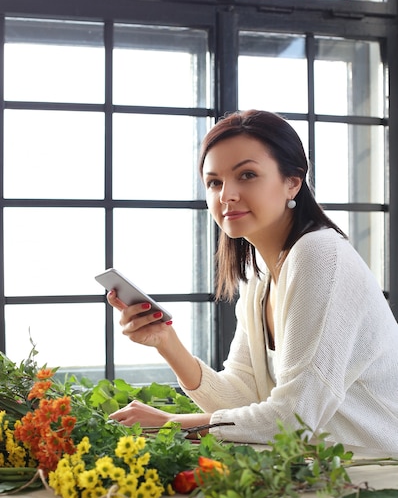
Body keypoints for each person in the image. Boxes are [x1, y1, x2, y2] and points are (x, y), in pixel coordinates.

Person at [107, 109, 398, 454]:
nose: (226, 195)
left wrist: (170, 424)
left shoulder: (319, 254)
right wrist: (166, 342)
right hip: (321, 476)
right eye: (214, 182)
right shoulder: (260, 277)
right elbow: (241, 395)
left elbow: (294, 419)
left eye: (246, 175)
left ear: (293, 181)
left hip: (381, 478)